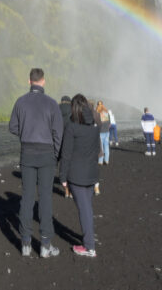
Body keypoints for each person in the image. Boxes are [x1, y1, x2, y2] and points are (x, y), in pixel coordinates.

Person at [9, 68, 64, 258]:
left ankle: (25, 243)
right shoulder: (51, 103)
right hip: (47, 154)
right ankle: (45, 245)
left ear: (29, 81)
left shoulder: (20, 102)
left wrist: (26, 132)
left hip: (27, 153)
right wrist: (55, 154)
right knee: (46, 198)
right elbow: (59, 132)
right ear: (44, 82)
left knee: (27, 197)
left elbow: (13, 127)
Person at [58, 94, 101, 258]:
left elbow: (66, 154)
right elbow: (97, 151)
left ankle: (89, 247)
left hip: (76, 175)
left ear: (74, 109)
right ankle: (89, 240)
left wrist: (62, 177)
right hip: (92, 174)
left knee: (84, 209)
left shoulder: (71, 127)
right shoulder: (95, 127)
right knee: (87, 208)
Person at [58, 95, 73, 198]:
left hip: (57, 139)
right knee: (69, 162)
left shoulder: (55, 108)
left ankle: (65, 189)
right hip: (69, 139)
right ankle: (70, 190)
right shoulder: (73, 109)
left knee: (57, 162)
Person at [95, 100, 111, 166]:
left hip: (100, 132)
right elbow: (110, 124)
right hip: (107, 131)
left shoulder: (97, 113)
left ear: (97, 105)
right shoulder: (107, 112)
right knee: (106, 146)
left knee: (100, 147)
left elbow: (96, 123)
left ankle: (100, 161)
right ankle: (106, 160)